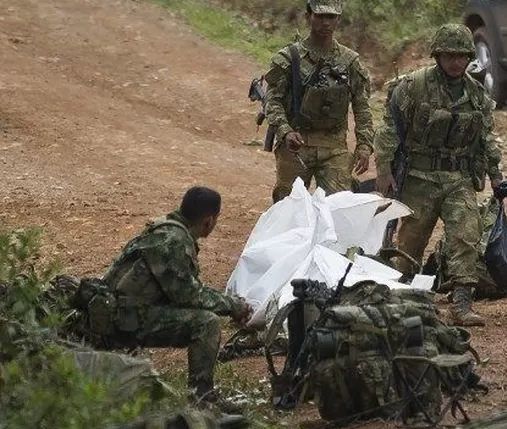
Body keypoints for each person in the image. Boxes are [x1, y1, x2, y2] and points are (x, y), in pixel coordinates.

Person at [374, 23, 503, 327]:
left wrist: (496, 174)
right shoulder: (413, 86)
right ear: (437, 56)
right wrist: (384, 169)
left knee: (467, 234)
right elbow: (390, 127)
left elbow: (486, 138)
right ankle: (406, 296)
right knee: (410, 242)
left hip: (457, 178)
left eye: (461, 56)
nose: (455, 62)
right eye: (449, 56)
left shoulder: (477, 95)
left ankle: (460, 302)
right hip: (419, 176)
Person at [98, 186, 253, 406]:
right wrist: (233, 306)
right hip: (122, 321)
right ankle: (202, 398)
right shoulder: (174, 241)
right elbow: (189, 295)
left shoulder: (166, 228)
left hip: (118, 312)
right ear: (209, 220)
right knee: (206, 324)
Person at [262, 0, 374, 202]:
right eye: (320, 16)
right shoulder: (288, 58)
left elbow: (362, 106)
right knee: (289, 208)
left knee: (340, 206)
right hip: (296, 144)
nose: (325, 23)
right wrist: (285, 131)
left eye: (331, 17)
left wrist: (364, 145)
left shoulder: (349, 61)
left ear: (338, 20)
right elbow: (272, 101)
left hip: (334, 145)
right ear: (308, 17)